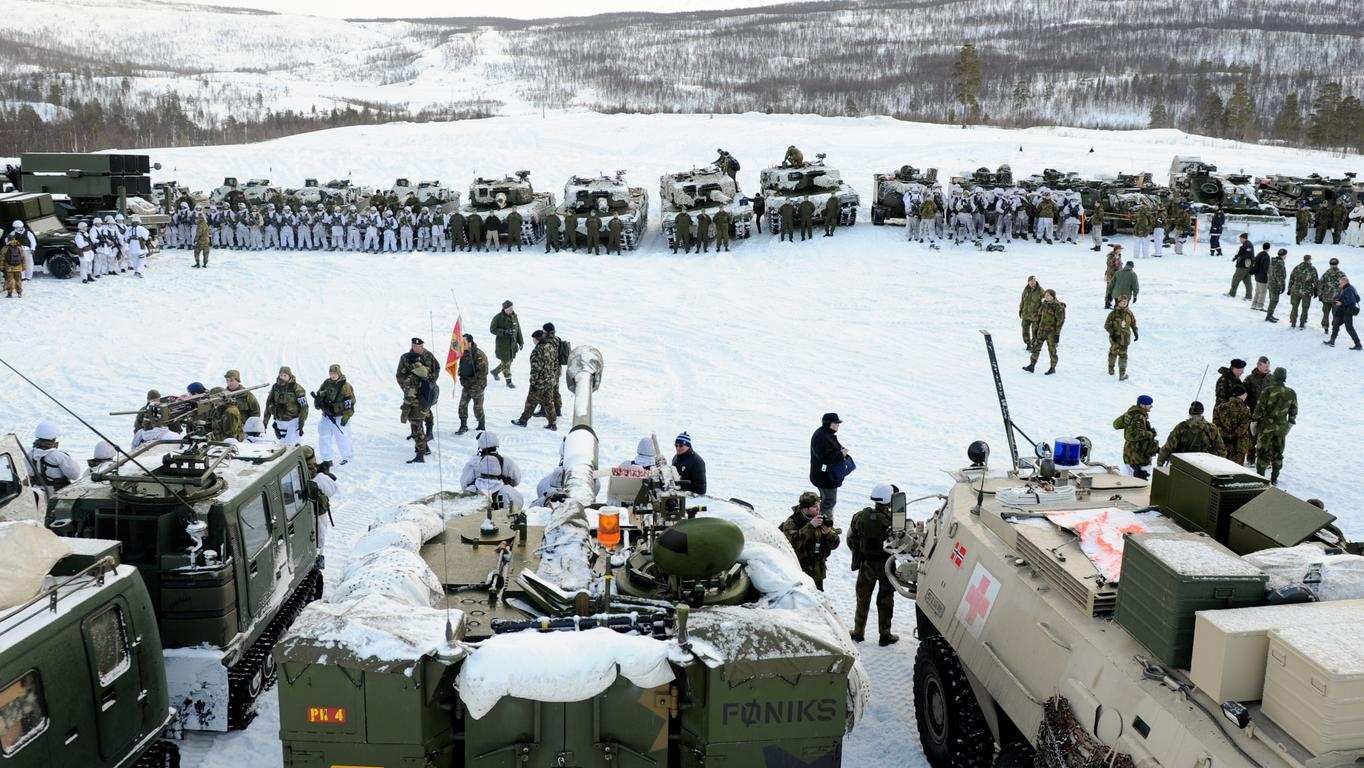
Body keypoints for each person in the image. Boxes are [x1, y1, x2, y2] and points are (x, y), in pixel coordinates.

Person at [846, 484, 898, 646]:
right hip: (886, 565)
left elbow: (850, 538)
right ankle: (885, 635)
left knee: (862, 598)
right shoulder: (893, 522)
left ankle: (858, 632)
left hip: (867, 564)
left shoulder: (860, 517)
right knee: (886, 600)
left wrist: (860, 553)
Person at [780, 491, 840, 590]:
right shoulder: (792, 522)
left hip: (817, 572)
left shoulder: (821, 519)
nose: (818, 509)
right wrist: (810, 526)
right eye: (814, 507)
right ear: (805, 508)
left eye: (819, 505)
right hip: (799, 571)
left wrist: (828, 533)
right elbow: (792, 544)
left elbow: (835, 544)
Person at [396, 337, 440, 463]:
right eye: (414, 346)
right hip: (420, 397)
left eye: (419, 346)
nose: (416, 348)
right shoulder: (408, 358)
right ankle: (424, 447)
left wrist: (405, 410)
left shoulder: (425, 359)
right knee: (419, 423)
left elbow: (436, 368)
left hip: (418, 399)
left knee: (417, 425)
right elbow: (399, 375)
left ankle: (421, 452)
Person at [1252, 367, 1297, 484]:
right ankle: (1274, 478)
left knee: (1262, 453)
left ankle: (1260, 479)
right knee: (1278, 454)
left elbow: (1259, 409)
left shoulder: (1268, 390)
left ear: (1275, 376)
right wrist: (1289, 425)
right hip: (1281, 429)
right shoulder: (1291, 393)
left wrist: (1254, 422)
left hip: (1266, 428)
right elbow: (1293, 412)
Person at [512, 329, 558, 430]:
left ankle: (523, 421)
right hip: (550, 381)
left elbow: (535, 368)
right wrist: (551, 376)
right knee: (549, 402)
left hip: (539, 383)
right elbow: (555, 364)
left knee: (530, 402)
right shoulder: (551, 347)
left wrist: (533, 382)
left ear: (537, 339)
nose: (533, 341)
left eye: (534, 339)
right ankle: (552, 423)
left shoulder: (537, 350)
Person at [1157, 401, 1224, 465]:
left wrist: (1160, 461)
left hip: (1186, 465)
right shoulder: (1211, 428)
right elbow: (1221, 450)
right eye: (1193, 416)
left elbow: (1168, 447)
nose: (1194, 418)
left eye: (1195, 416)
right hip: (1202, 466)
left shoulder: (1181, 427)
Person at [314, 363, 356, 465]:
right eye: (331, 373)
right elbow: (319, 394)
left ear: (339, 373)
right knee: (324, 437)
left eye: (334, 373)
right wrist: (318, 402)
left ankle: (347, 457)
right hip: (326, 416)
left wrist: (346, 416)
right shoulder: (326, 383)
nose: (332, 375)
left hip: (339, 416)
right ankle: (327, 459)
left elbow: (350, 402)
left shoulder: (345, 386)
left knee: (342, 437)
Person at [809, 412, 848, 518]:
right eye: (836, 423)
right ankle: (826, 528)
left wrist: (842, 450)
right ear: (829, 423)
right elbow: (825, 458)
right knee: (829, 502)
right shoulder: (821, 437)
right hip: (825, 478)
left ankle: (821, 524)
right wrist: (841, 454)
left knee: (825, 501)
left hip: (826, 476)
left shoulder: (826, 434)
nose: (838, 425)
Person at [27, 422, 83, 492]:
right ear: (54, 438)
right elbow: (75, 475)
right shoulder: (59, 456)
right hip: (57, 496)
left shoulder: (29, 455)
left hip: (37, 495)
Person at [1113, 395, 1158, 478]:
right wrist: (1150, 434)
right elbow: (1132, 435)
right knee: (1137, 482)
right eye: (1149, 404)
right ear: (1142, 405)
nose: (1151, 406)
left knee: (1129, 476)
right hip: (1137, 456)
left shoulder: (1131, 413)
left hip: (1130, 453)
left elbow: (1116, 424)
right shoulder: (1138, 417)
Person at [262, 366, 309, 446]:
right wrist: (265, 423)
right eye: (281, 375)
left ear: (289, 376)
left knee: (291, 445)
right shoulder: (275, 387)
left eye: (285, 376)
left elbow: (304, 407)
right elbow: (268, 404)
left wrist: (301, 424)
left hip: (293, 421)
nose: (282, 377)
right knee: (282, 445)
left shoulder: (296, 388)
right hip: (280, 421)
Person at [1023, 289, 1066, 374]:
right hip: (1041, 331)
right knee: (1036, 348)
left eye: (1048, 295)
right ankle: (1032, 365)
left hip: (1051, 333)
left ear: (1053, 296)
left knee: (1052, 351)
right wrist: (1036, 329)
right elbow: (1039, 317)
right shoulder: (1044, 304)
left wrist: (1057, 335)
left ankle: (1052, 368)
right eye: (1045, 295)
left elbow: (1060, 322)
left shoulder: (1058, 307)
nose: (1046, 297)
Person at [1212, 384, 1253, 466]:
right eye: (1245, 394)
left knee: (1222, 465)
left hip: (1223, 441)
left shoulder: (1219, 407)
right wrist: (1234, 435)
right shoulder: (1245, 410)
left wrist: (1226, 435)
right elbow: (1244, 427)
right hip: (1239, 444)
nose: (1246, 395)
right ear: (1241, 395)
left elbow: (1216, 424)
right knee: (1236, 468)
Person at [456, 333, 488, 434]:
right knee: (462, 405)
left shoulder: (479, 355)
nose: (462, 343)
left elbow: (482, 373)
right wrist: (460, 373)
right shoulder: (463, 352)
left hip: (477, 386)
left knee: (477, 407)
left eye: (464, 342)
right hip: (466, 385)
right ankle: (463, 425)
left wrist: (469, 381)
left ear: (470, 342)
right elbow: (463, 366)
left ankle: (481, 424)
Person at [489, 300, 523, 388]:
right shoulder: (498, 318)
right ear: (504, 309)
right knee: (506, 364)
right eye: (509, 308)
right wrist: (503, 332)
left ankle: (495, 372)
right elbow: (492, 329)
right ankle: (509, 382)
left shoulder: (514, 316)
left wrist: (521, 342)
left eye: (512, 308)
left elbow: (518, 330)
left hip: (512, 346)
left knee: (509, 361)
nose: (511, 310)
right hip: (502, 346)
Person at [1323, 273, 1361, 349]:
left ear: (1344, 282)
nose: (1339, 284)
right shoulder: (1349, 288)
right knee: (1336, 324)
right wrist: (1338, 299)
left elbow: (1351, 302)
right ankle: (1332, 341)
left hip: (1347, 312)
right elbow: (1358, 298)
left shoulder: (1349, 289)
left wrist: (1341, 303)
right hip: (1342, 311)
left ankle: (1358, 345)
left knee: (1349, 328)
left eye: (1340, 283)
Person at [1104, 296, 1137, 380]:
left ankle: (1122, 374)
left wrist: (1135, 332)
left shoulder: (1129, 313)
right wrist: (1112, 333)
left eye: (1125, 302)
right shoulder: (1113, 314)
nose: (1124, 303)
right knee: (1113, 353)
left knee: (1123, 355)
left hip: (1125, 339)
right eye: (1122, 301)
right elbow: (1106, 325)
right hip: (1115, 338)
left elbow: (1133, 324)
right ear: (1118, 302)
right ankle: (1111, 368)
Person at [1287, 253, 1319, 329]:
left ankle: (1293, 322)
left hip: (1295, 290)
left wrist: (1289, 288)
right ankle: (1302, 322)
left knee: (1294, 306)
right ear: (1309, 260)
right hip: (1307, 291)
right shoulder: (1312, 269)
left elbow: (1291, 279)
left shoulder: (1297, 267)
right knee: (1305, 307)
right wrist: (1316, 291)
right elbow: (1316, 281)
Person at [1317, 258, 1344, 334]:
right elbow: (1346, 286)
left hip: (1326, 298)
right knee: (1336, 314)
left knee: (1326, 313)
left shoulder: (1326, 274)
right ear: (1337, 264)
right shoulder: (1341, 274)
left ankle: (1325, 328)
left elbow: (1320, 285)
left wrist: (1320, 295)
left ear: (1330, 265)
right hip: (1337, 299)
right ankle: (1335, 328)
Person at [1018, 275, 1043, 349]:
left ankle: (1034, 345)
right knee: (1025, 330)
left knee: (1034, 331)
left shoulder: (1040, 290)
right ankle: (1028, 344)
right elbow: (1022, 301)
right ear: (1028, 282)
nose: (1033, 282)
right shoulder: (1026, 290)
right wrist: (1020, 310)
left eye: (1034, 281)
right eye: (1031, 281)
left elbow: (1046, 300)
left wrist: (1040, 313)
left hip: (1035, 316)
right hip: (1025, 315)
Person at [1264, 248, 1288, 323]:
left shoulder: (1273, 261)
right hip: (1275, 285)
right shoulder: (1280, 263)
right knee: (1274, 301)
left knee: (1272, 300)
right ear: (1283, 255)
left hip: (1270, 283)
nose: (1285, 257)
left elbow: (1269, 271)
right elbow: (1279, 276)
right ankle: (1268, 316)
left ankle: (1270, 315)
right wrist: (1282, 285)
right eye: (1285, 255)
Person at [1228, 234, 1253, 300]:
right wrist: (1236, 257)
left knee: (1235, 279)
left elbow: (1248, 255)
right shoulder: (1245, 244)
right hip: (1245, 266)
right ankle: (1249, 296)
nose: (1240, 240)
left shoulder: (1248, 245)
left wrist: (1240, 257)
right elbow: (1241, 253)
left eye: (1241, 238)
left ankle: (1232, 293)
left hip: (1243, 266)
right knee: (1247, 281)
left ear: (1244, 238)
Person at [1251, 242, 1271, 311]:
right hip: (1263, 277)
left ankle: (1254, 304)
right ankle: (1259, 306)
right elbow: (1266, 268)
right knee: (1263, 292)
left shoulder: (1259, 254)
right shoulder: (1266, 256)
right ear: (1268, 248)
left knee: (1257, 291)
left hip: (1257, 276)